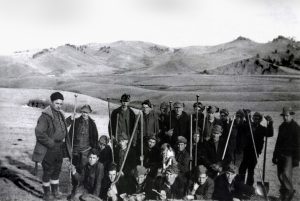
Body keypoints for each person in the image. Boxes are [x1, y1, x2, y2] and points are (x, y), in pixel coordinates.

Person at [32, 92, 72, 201]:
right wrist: (51, 143)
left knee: (57, 170)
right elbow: (39, 132)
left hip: (60, 147)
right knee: (48, 170)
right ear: (51, 102)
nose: (59, 105)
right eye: (57, 103)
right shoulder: (45, 116)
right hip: (49, 148)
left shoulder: (60, 114)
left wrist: (69, 120)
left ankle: (55, 192)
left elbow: (60, 128)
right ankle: (47, 194)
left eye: (61, 104)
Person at [68, 104, 99, 193]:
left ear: (89, 113)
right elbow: (70, 136)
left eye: (86, 112)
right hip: (75, 151)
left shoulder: (92, 124)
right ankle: (74, 186)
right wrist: (70, 148)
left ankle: (82, 187)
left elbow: (95, 138)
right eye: (83, 112)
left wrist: (94, 150)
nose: (84, 114)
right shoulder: (76, 122)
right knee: (74, 169)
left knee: (83, 171)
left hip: (86, 152)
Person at [272, 107, 300, 201]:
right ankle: (283, 195)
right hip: (280, 155)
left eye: (287, 116)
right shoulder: (281, 126)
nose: (285, 118)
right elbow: (278, 142)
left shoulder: (296, 127)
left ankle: (289, 194)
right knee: (280, 175)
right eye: (284, 116)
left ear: (291, 115)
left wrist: (297, 158)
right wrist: (274, 155)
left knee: (285, 175)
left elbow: (298, 144)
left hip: (289, 156)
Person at [239, 112, 273, 186]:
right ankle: (240, 185)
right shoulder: (249, 126)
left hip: (255, 152)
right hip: (247, 151)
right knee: (242, 168)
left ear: (260, 120)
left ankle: (249, 186)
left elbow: (270, 133)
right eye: (254, 118)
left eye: (258, 119)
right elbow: (242, 127)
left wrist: (270, 123)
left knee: (251, 169)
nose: (256, 120)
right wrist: (247, 117)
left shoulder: (262, 129)